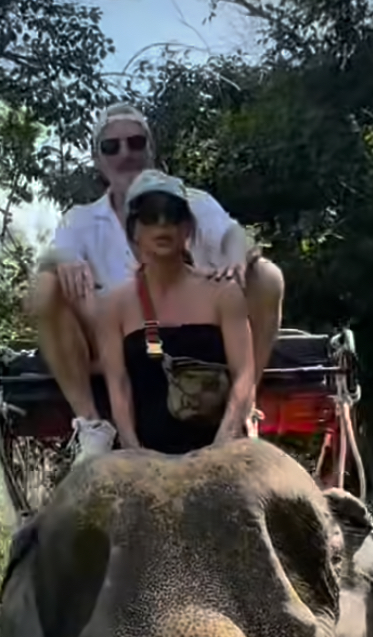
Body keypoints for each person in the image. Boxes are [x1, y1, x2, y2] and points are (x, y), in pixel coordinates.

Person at [27, 105, 284, 460]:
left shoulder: (197, 204)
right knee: (45, 288)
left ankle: (243, 411)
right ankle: (92, 425)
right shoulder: (81, 221)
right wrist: (61, 260)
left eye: (135, 143)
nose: (125, 153)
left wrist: (236, 261)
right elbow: (54, 256)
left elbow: (233, 235)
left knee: (267, 276)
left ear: (187, 227)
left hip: (203, 336)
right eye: (111, 147)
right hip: (120, 338)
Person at [92, 172, 255, 456]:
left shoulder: (223, 293)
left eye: (173, 214)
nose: (163, 224)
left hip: (221, 452)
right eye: (150, 215)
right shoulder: (113, 305)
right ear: (134, 230)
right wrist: (133, 450)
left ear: (188, 227)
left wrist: (220, 448)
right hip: (146, 457)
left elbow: (244, 376)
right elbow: (118, 384)